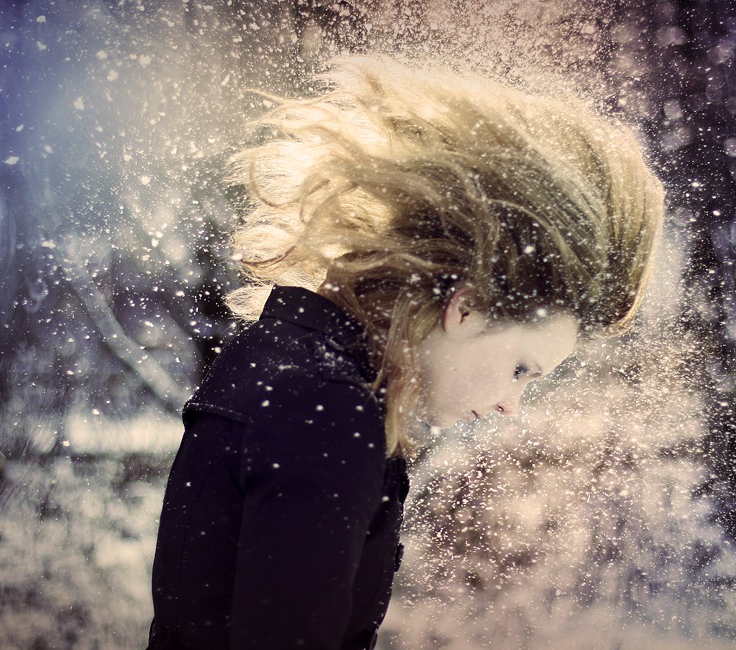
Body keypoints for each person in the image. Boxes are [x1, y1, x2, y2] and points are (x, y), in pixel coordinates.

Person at [147, 56, 664, 649]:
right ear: (466, 308)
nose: (511, 404)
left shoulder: (288, 363)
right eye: (522, 369)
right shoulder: (326, 411)